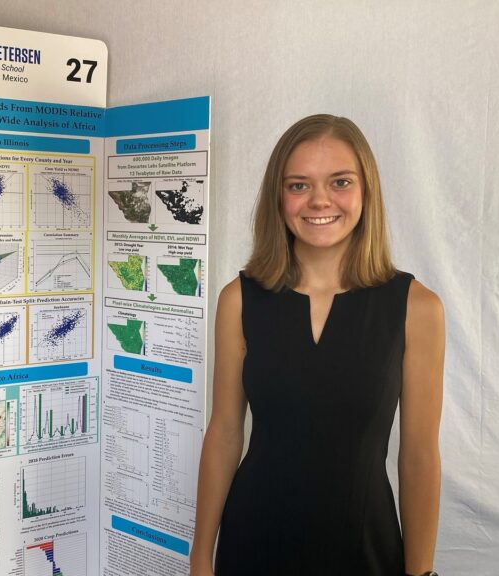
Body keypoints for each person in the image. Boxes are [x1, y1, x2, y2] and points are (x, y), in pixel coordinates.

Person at [190, 115, 444, 575]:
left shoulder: (416, 307)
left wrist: (421, 573)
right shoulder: (239, 300)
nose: (320, 200)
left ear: (366, 190)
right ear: (279, 197)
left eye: (340, 182)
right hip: (253, 544)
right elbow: (225, 432)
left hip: (364, 549)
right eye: (299, 185)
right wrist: (200, 558)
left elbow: (420, 455)